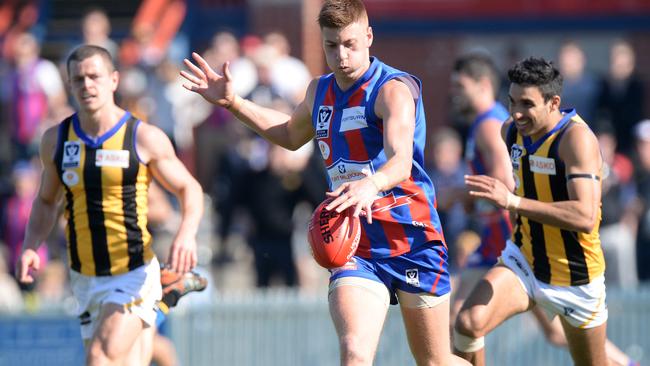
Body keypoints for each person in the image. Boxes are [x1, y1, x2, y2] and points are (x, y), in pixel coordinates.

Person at [181, 1, 468, 364]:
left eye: (349, 43)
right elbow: (288, 133)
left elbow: (401, 161)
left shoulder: (392, 89)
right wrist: (234, 102)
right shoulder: (319, 91)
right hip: (355, 245)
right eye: (331, 45)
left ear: (368, 37)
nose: (341, 55)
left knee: (435, 361)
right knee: (354, 352)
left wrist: (371, 184)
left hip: (411, 238)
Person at [16, 45, 203, 366]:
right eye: (78, 79)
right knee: (131, 361)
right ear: (69, 85)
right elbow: (46, 202)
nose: (87, 85)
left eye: (94, 76)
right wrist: (32, 245)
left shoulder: (142, 137)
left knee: (100, 358)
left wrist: (186, 234)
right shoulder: (57, 141)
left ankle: (157, 294)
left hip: (132, 271)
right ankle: (163, 299)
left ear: (113, 80)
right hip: (85, 276)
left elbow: (190, 188)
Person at [454, 57, 608, 366]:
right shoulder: (510, 131)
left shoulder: (576, 139)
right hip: (525, 262)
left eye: (527, 104)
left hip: (577, 276)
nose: (517, 113)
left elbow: (585, 217)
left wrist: (512, 202)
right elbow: (521, 186)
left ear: (554, 103)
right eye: (512, 102)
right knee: (468, 323)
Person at [448, 53, 514, 324]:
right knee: (459, 318)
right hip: (494, 233)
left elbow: (504, 182)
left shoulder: (489, 124)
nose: (455, 95)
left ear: (484, 85)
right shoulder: (482, 123)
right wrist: (470, 201)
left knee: (461, 318)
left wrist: (456, 195)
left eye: (460, 87)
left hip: (508, 233)